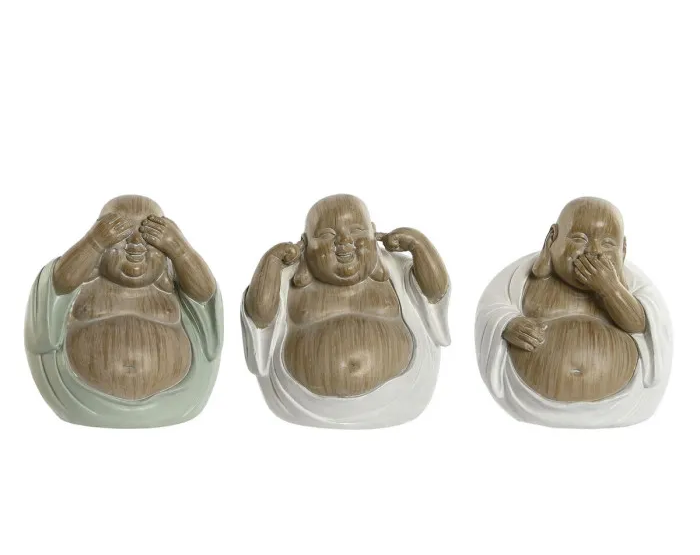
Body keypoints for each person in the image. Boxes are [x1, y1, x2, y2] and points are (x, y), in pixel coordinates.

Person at [242, 194, 450, 428]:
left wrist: (418, 245)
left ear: (373, 233)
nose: (344, 241)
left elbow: (435, 293)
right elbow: (260, 315)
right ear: (306, 243)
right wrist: (270, 261)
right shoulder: (286, 280)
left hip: (401, 397)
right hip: (301, 405)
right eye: (327, 235)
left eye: (357, 231)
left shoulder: (397, 272)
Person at [25, 195, 223, 427]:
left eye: (149, 237)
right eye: (121, 235)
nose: (135, 244)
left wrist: (180, 250)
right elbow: (59, 283)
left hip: (177, 402)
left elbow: (205, 293)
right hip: (82, 400)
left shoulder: (169, 284)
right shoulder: (86, 281)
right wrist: (93, 242)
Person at [475, 197, 672, 428]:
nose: (594, 251)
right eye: (580, 239)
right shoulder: (521, 278)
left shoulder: (634, 286)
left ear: (624, 250)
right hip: (529, 403)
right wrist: (508, 323)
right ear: (552, 238)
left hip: (621, 406)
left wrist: (609, 288)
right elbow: (490, 309)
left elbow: (643, 324)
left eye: (608, 243)